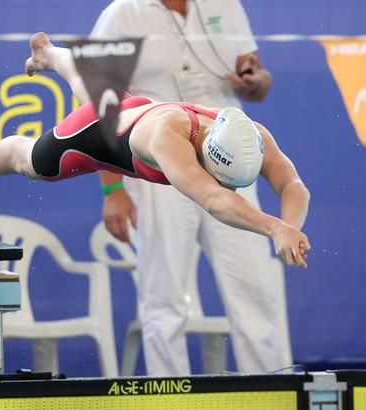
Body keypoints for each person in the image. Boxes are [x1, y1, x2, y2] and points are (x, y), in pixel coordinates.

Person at [0, 33, 311, 271]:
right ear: (210, 162)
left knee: (94, 90)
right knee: (32, 162)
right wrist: (273, 228)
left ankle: (49, 54)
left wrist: (289, 230)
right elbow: (215, 201)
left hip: (134, 109)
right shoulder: (171, 142)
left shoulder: (249, 133)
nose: (230, 190)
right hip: (99, 136)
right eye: (228, 183)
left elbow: (292, 183)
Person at [90, 0, 293, 376]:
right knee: (164, 295)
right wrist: (111, 188)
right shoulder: (122, 14)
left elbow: (256, 75)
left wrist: (256, 80)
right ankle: (172, 406)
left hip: (230, 163)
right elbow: (97, 103)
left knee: (256, 286)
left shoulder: (226, 5)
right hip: (158, 162)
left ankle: (273, 393)